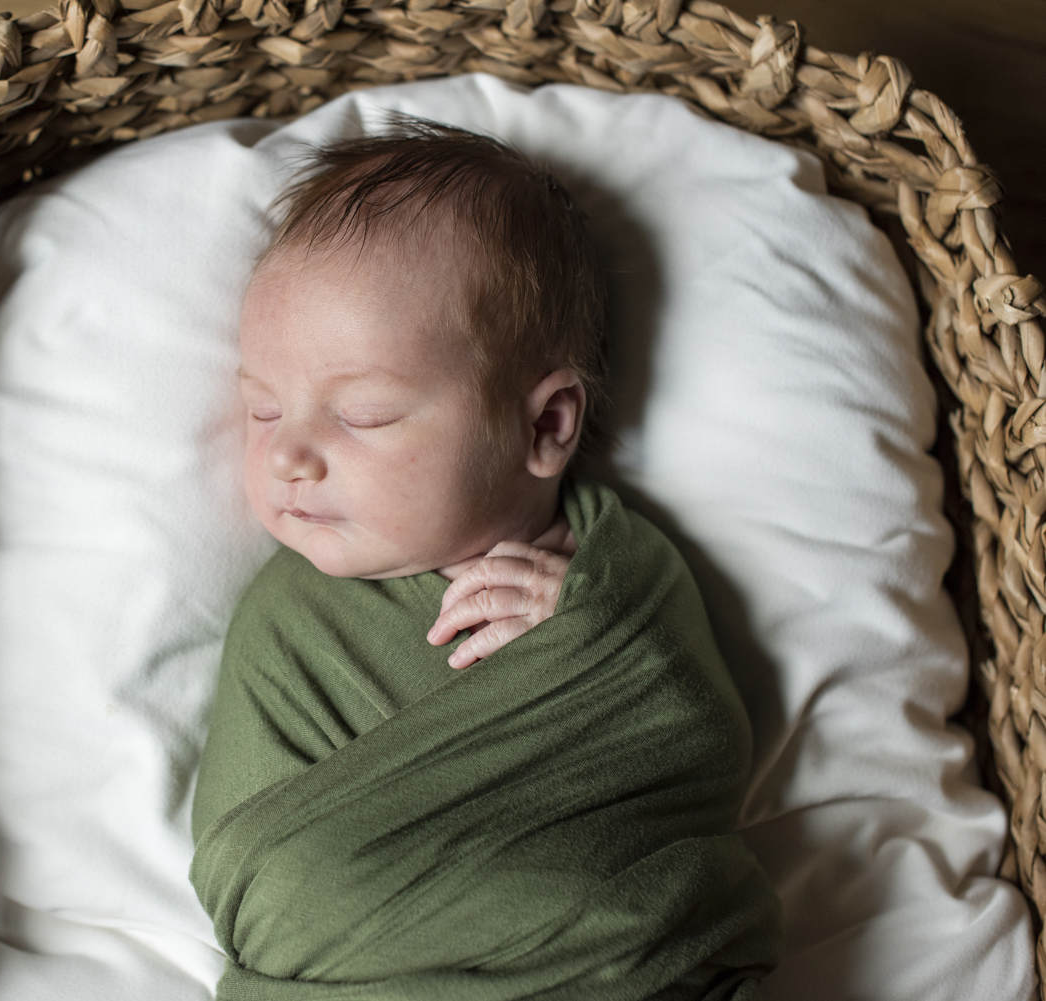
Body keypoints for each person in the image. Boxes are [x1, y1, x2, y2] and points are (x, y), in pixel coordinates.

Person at [189, 116, 783, 1000]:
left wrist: (593, 640)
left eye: (364, 415)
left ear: (545, 425)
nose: (287, 455)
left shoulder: (613, 572)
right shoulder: (290, 619)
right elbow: (262, 883)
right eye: (264, 409)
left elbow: (699, 740)